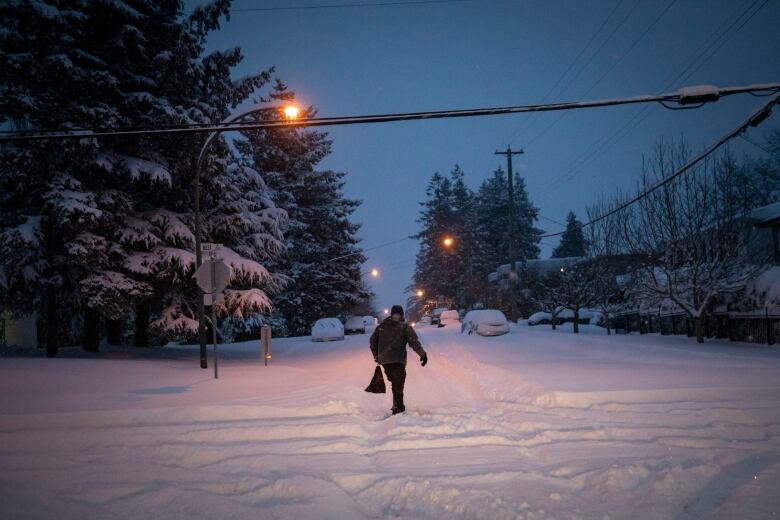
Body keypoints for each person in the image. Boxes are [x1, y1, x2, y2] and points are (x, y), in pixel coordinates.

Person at [369, 304, 427, 415]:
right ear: (401, 314)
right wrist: (422, 354)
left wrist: (376, 355)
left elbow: (372, 342)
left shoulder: (382, 326)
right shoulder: (404, 326)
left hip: (385, 360)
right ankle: (398, 408)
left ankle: (397, 406)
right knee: (398, 384)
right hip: (398, 360)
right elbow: (413, 342)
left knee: (395, 382)